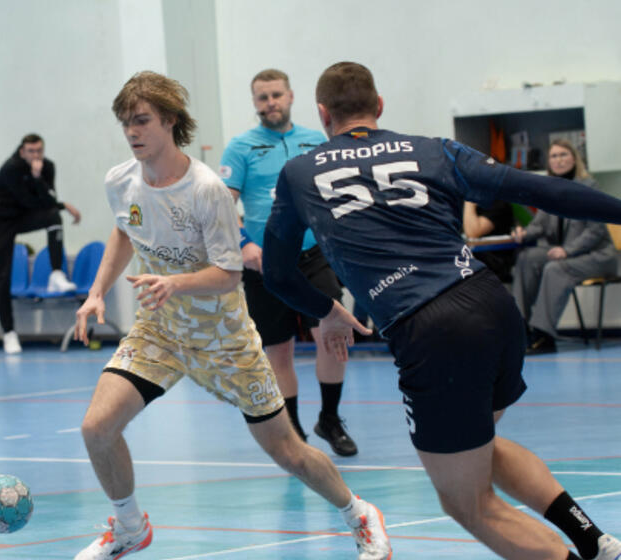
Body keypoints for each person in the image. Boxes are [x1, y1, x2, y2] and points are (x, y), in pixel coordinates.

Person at [262, 61, 621, 560]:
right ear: (379, 105)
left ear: (322, 113)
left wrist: (327, 310)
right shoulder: (433, 149)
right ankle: (593, 541)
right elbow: (540, 190)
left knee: (466, 503)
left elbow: (278, 275)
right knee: (477, 443)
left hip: (432, 329)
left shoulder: (300, 172)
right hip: (492, 302)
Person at [70, 71, 390, 560]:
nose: (132, 132)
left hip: (225, 340)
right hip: (160, 331)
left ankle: (359, 514)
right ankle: (130, 527)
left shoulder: (206, 190)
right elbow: (124, 231)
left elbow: (228, 273)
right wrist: (96, 293)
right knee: (96, 428)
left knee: (287, 451)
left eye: (142, 121)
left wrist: (174, 282)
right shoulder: (121, 180)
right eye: (126, 123)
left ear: (170, 121)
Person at [219, 68, 357, 455]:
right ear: (254, 103)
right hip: (264, 263)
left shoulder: (316, 141)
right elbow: (221, 208)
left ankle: (330, 418)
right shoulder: (240, 148)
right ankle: (294, 431)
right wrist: (244, 244)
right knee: (278, 350)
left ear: (291, 96)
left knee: (332, 334)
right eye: (262, 98)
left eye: (276, 95)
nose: (271, 103)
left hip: (314, 256)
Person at [511, 139, 617, 354]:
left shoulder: (588, 187)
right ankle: (520, 326)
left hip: (597, 256)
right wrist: (523, 233)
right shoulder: (549, 189)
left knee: (554, 269)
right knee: (527, 258)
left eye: (563, 155)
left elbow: (595, 231)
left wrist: (567, 251)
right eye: (554, 156)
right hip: (567, 254)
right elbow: (539, 225)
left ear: (574, 159)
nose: (558, 160)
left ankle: (543, 335)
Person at [0, 133, 82, 354]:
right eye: (31, 151)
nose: (36, 155)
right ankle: (9, 333)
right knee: (2, 277)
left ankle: (56, 274)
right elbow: (29, 201)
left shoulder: (48, 167)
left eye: (39, 151)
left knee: (53, 216)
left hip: (19, 215)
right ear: (22, 152)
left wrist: (41, 181)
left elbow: (48, 200)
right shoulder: (11, 168)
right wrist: (62, 204)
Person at [463, 199, 517, 282]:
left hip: (492, 262)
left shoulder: (498, 204)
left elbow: (472, 232)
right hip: (467, 259)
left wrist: (469, 202)